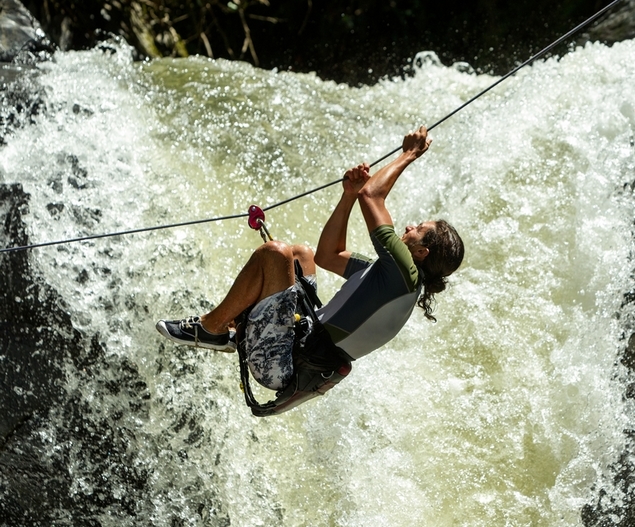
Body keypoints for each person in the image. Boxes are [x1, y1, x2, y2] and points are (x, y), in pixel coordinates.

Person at [156, 126, 464, 393]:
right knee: (300, 255)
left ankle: (212, 328)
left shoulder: (404, 272)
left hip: (280, 362)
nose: (411, 226)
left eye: (419, 229)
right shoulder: (392, 279)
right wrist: (348, 195)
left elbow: (372, 195)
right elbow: (328, 256)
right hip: (292, 347)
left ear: (422, 252)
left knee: (275, 253)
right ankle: (239, 331)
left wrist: (408, 154)